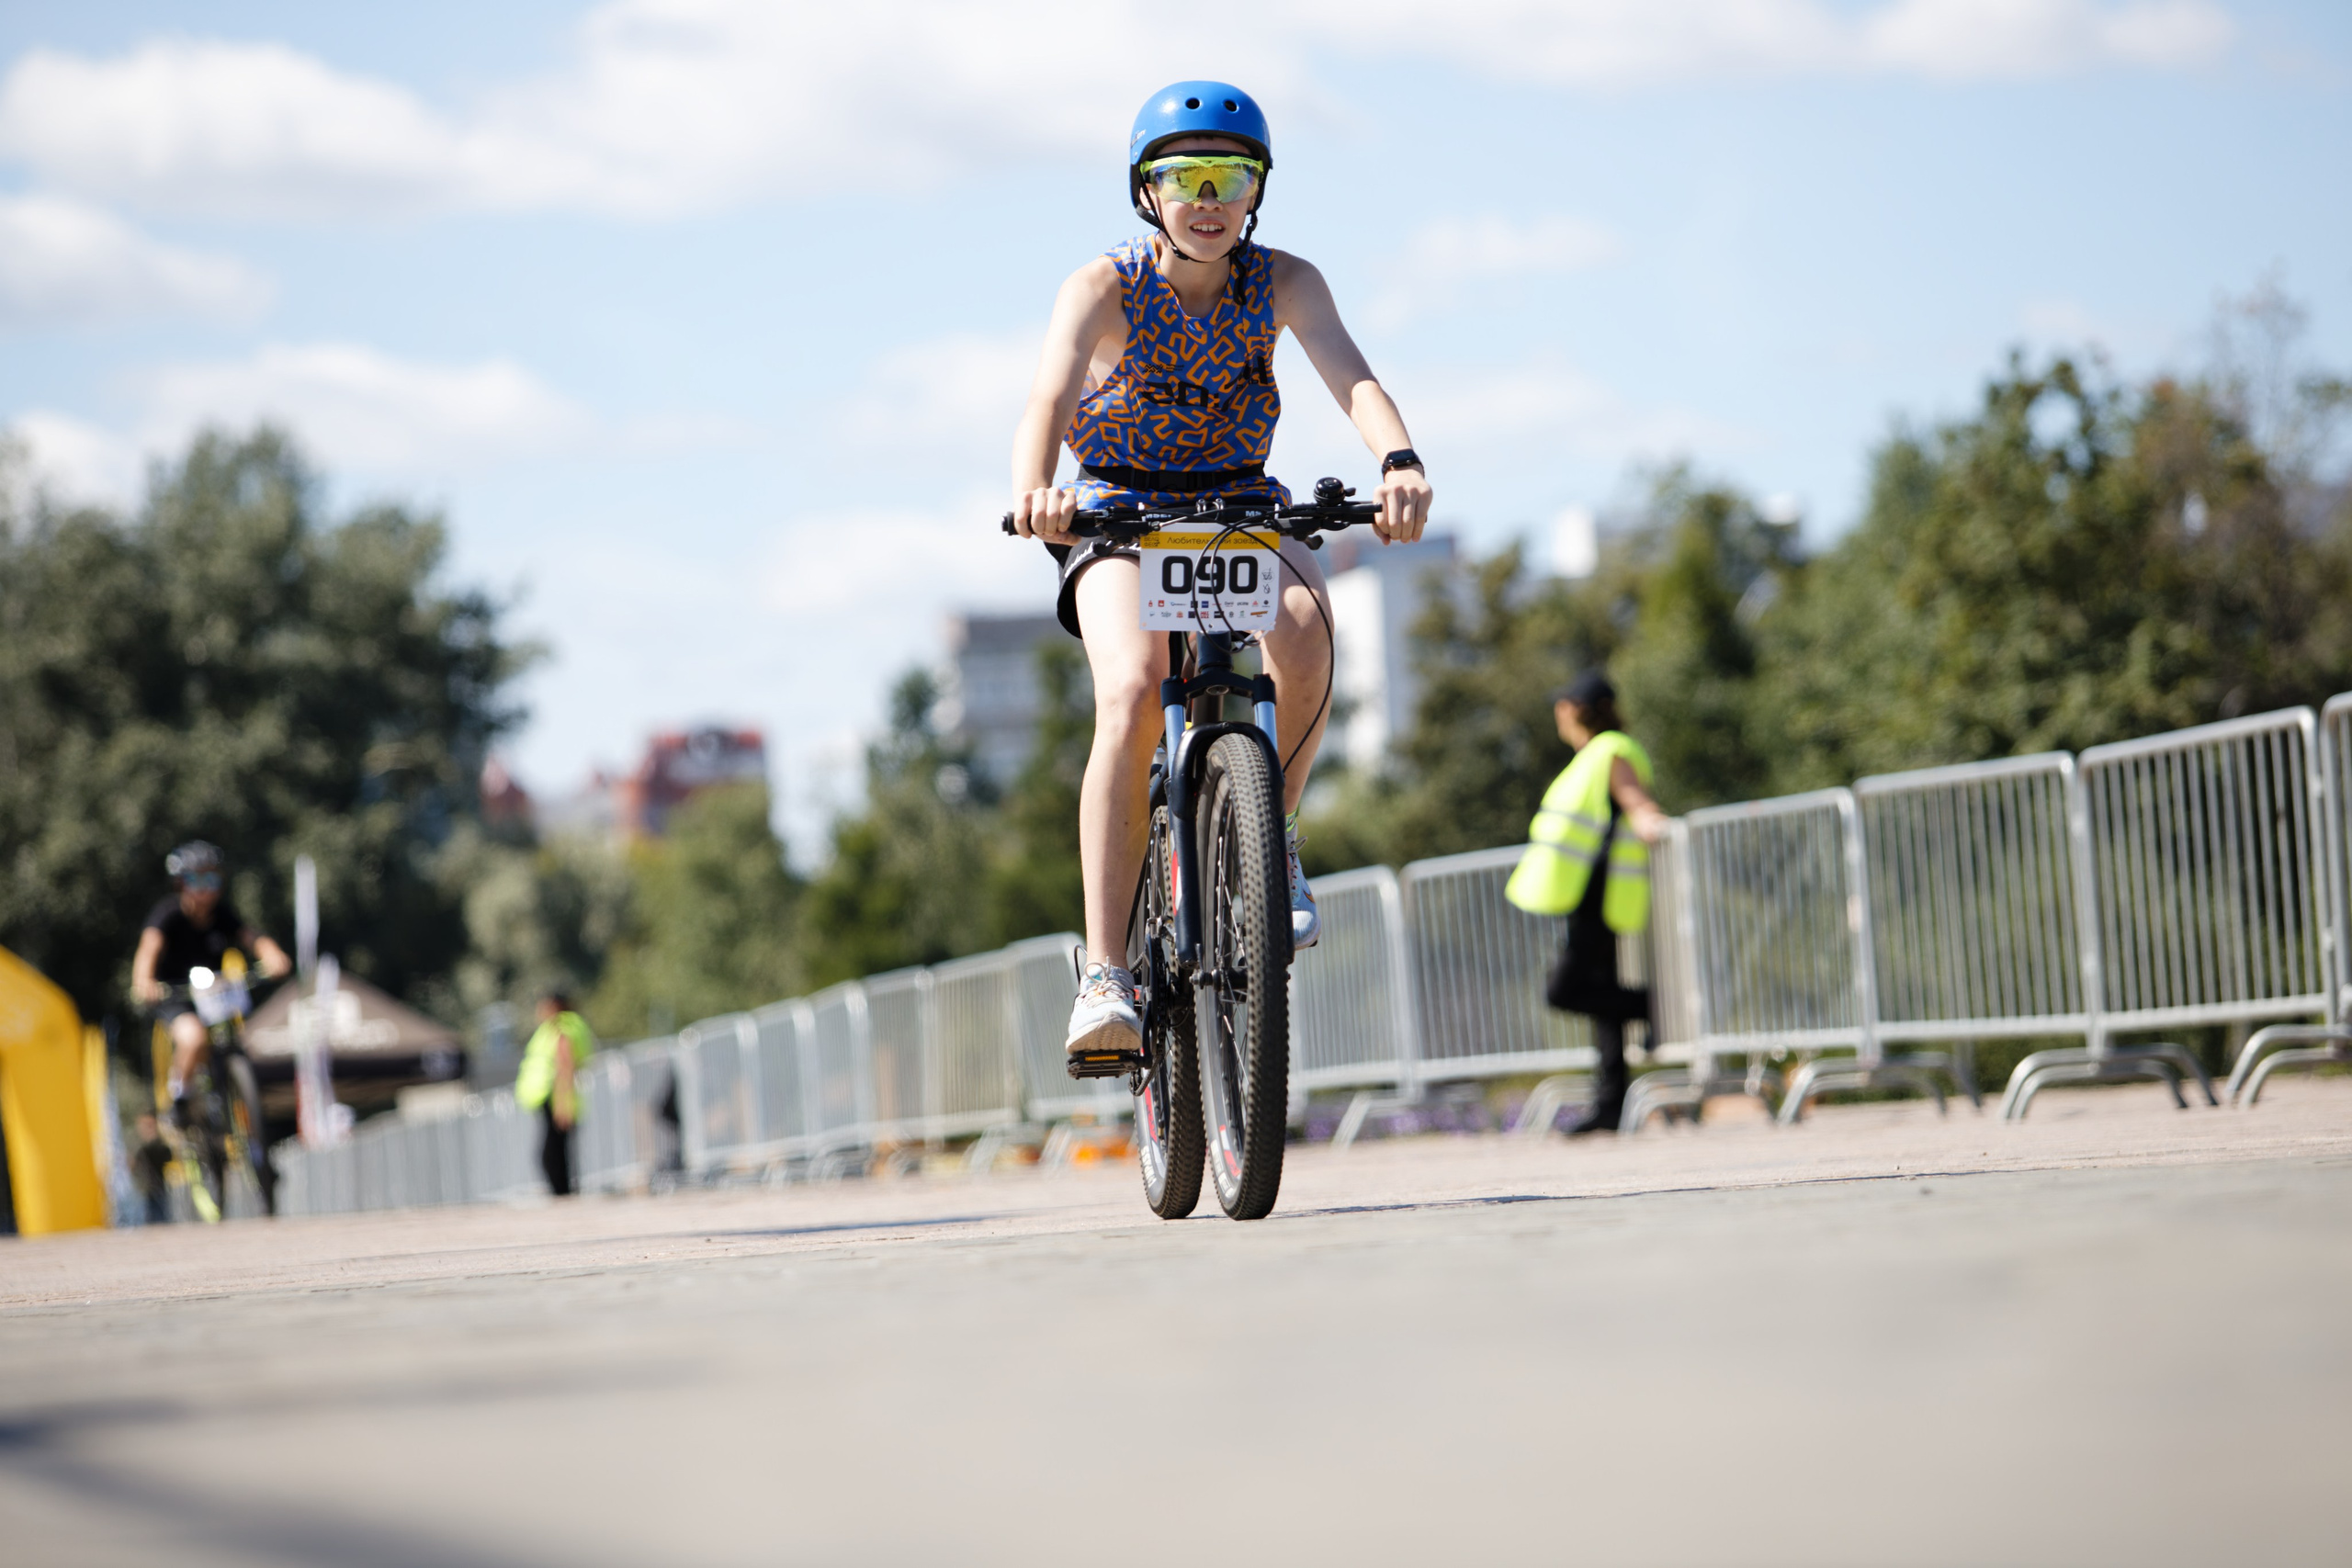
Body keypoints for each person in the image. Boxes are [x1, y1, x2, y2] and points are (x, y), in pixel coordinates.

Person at [1007, 81, 1435, 1060]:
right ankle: (1106, 973)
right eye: (1184, 177)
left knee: (1305, 629)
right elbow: (1046, 396)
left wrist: (1398, 461)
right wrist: (1038, 490)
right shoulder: (1101, 287)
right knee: (1128, 688)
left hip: (1236, 498)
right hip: (1117, 505)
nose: (1208, 198)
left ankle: (1266, 838)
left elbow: (1350, 373)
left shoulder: (1286, 280)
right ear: (1145, 193)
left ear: (1256, 192)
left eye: (1229, 177)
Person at [1507, 673, 1669, 1134]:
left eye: (1561, 705)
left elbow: (1636, 802)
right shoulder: (1590, 757)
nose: (1556, 713)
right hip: (1586, 895)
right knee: (1601, 1005)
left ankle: (1658, 1007)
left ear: (1576, 708)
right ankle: (1610, 1105)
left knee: (1565, 990)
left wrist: (1651, 821)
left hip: (1602, 895)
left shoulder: (1610, 750)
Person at [130, 841, 292, 1122]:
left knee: (242, 1040)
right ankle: (179, 1096)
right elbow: (148, 949)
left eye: (212, 879)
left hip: (215, 993)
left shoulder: (223, 915)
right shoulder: (168, 915)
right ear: (181, 883)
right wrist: (144, 981)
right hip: (175, 995)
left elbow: (252, 937)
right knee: (194, 1039)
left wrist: (273, 954)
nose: (206, 888)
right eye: (196, 879)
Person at [515, 991, 595, 1197]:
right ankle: (564, 1194)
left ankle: (562, 1196)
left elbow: (565, 1066)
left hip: (555, 1098)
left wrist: (563, 1104)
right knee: (559, 1153)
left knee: (551, 1155)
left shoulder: (561, 1029)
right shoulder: (564, 1027)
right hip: (553, 1098)